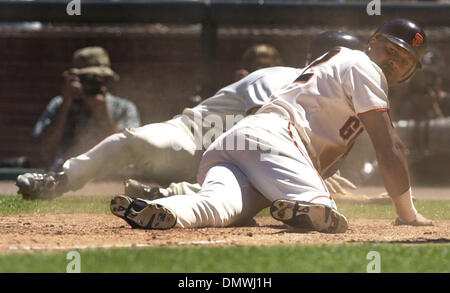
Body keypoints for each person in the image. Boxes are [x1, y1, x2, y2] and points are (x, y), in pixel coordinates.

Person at [109, 18, 433, 233]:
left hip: (240, 141)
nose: (393, 61)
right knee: (327, 216)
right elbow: (389, 144)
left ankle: (158, 209)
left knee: (222, 208)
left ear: (409, 72)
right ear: (372, 41)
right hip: (278, 138)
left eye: (403, 60)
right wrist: (408, 213)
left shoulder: (344, 64)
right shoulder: (364, 66)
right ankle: (306, 207)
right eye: (390, 50)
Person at [15, 45, 290, 200]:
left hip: (231, 167)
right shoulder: (271, 78)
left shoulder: (304, 93)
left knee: (245, 178)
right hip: (190, 141)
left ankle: (160, 194)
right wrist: (66, 104)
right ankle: (60, 180)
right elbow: (42, 149)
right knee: (135, 139)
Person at [124, 32, 365, 200]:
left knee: (255, 183)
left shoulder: (328, 102)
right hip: (224, 147)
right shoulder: (281, 80)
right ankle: (170, 194)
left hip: (231, 152)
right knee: (260, 180)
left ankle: (165, 195)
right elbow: (264, 136)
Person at [32, 46, 141, 171]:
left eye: (98, 80)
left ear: (106, 81)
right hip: (67, 173)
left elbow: (126, 150)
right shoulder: (60, 104)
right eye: (86, 79)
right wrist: (65, 105)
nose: (92, 85)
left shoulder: (124, 108)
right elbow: (45, 148)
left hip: (112, 175)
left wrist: (102, 113)